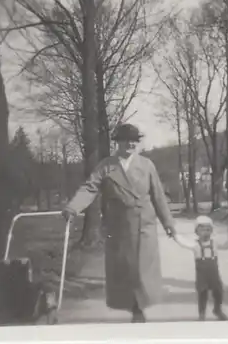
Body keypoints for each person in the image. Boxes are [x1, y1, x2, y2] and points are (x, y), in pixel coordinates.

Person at [61, 123, 176, 323]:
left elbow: (158, 195)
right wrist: (73, 207)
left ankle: (140, 307)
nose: (131, 144)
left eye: (134, 140)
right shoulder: (106, 166)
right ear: (118, 143)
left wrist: (168, 222)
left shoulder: (147, 165)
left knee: (142, 270)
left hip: (144, 226)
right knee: (125, 271)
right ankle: (132, 306)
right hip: (119, 228)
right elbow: (90, 188)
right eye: (126, 140)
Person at [174, 216, 228, 321]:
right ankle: (201, 314)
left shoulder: (215, 243)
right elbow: (183, 242)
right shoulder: (195, 244)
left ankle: (217, 309)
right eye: (202, 230)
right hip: (202, 275)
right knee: (202, 293)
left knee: (218, 291)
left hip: (214, 273)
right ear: (196, 231)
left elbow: (226, 245)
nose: (205, 232)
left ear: (211, 231)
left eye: (208, 229)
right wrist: (174, 234)